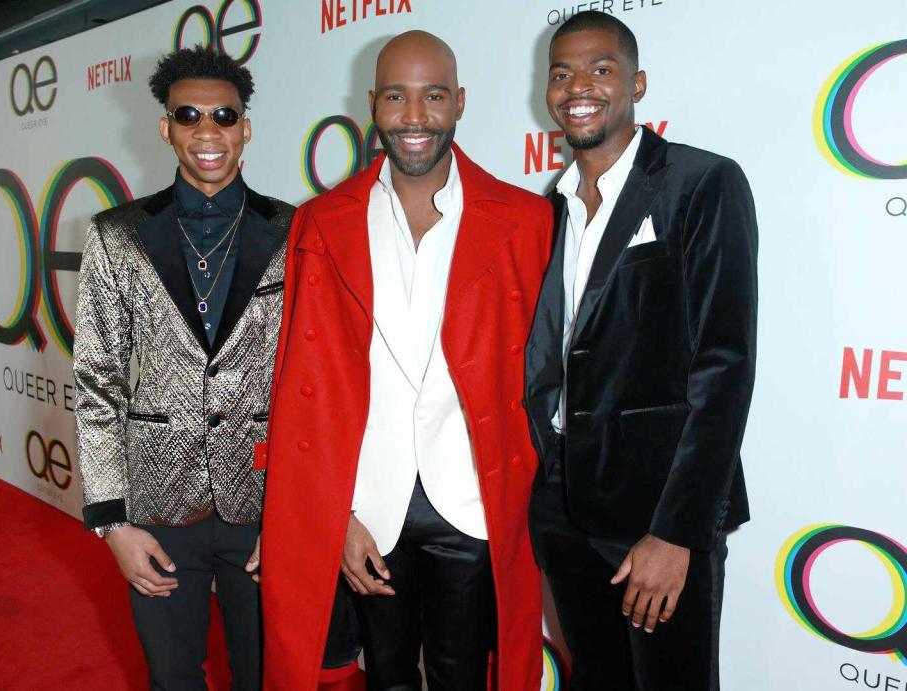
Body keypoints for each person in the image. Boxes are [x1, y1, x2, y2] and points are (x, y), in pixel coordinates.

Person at [257, 30, 552, 691]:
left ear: (460, 102)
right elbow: (302, 388)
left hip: (473, 501)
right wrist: (338, 515)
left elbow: (547, 379)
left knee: (461, 676)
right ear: (372, 104)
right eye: (397, 96)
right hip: (369, 502)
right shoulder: (320, 224)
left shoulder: (527, 221)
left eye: (433, 96)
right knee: (387, 675)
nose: (415, 117)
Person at [525, 11, 758, 691]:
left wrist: (677, 531)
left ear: (638, 82)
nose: (578, 87)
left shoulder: (700, 182)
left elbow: (725, 365)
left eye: (601, 69)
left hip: (656, 512)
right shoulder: (554, 202)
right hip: (565, 502)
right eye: (561, 73)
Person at [73, 46, 293, 690]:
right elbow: (96, 383)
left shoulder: (294, 231)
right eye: (188, 115)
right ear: (165, 126)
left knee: (267, 674)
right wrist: (112, 523)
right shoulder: (116, 234)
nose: (207, 130)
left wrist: (294, 514)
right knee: (172, 677)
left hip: (263, 508)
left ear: (245, 126)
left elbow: (313, 385)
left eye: (224, 115)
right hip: (157, 509)